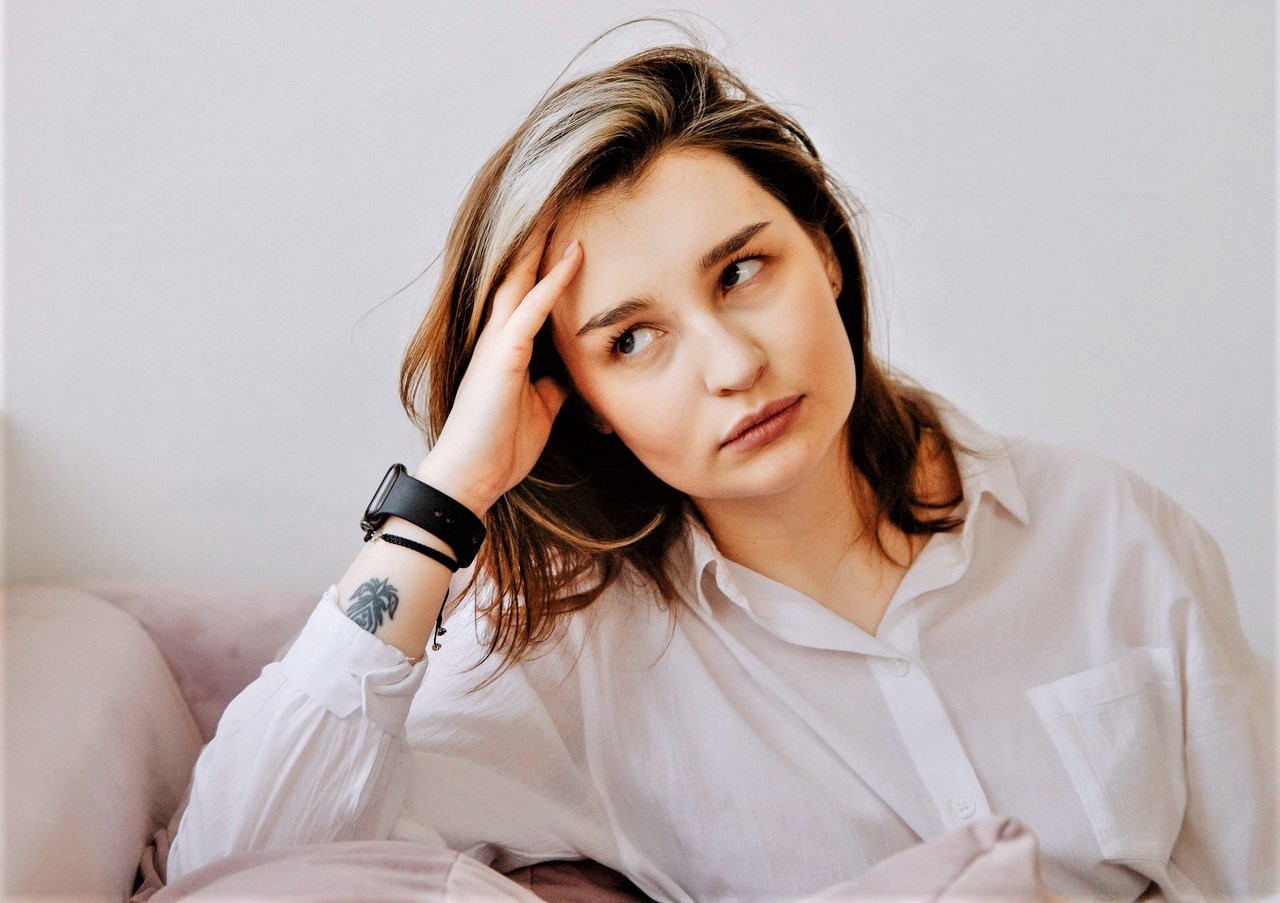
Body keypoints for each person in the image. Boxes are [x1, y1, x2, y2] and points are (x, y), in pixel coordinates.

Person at [166, 38, 1275, 901]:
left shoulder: (1112, 532)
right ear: (579, 405)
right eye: (630, 340)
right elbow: (240, 866)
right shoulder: (573, 663)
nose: (734, 364)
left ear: (824, 250)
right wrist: (443, 495)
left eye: (742, 270)